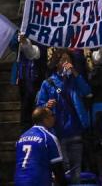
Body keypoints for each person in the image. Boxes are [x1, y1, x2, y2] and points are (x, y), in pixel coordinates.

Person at [36, 49, 91, 183]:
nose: (66, 62)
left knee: (76, 172)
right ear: (56, 63)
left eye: (68, 60)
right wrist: (46, 105)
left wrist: (75, 73)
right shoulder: (47, 83)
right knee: (63, 171)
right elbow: (39, 106)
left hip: (75, 131)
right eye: (63, 60)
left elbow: (87, 91)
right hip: (57, 133)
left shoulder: (75, 79)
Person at [14, 107, 66, 186]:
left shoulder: (21, 137)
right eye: (52, 115)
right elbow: (58, 168)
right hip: (39, 181)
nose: (54, 118)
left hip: (19, 181)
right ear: (45, 119)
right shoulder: (48, 137)